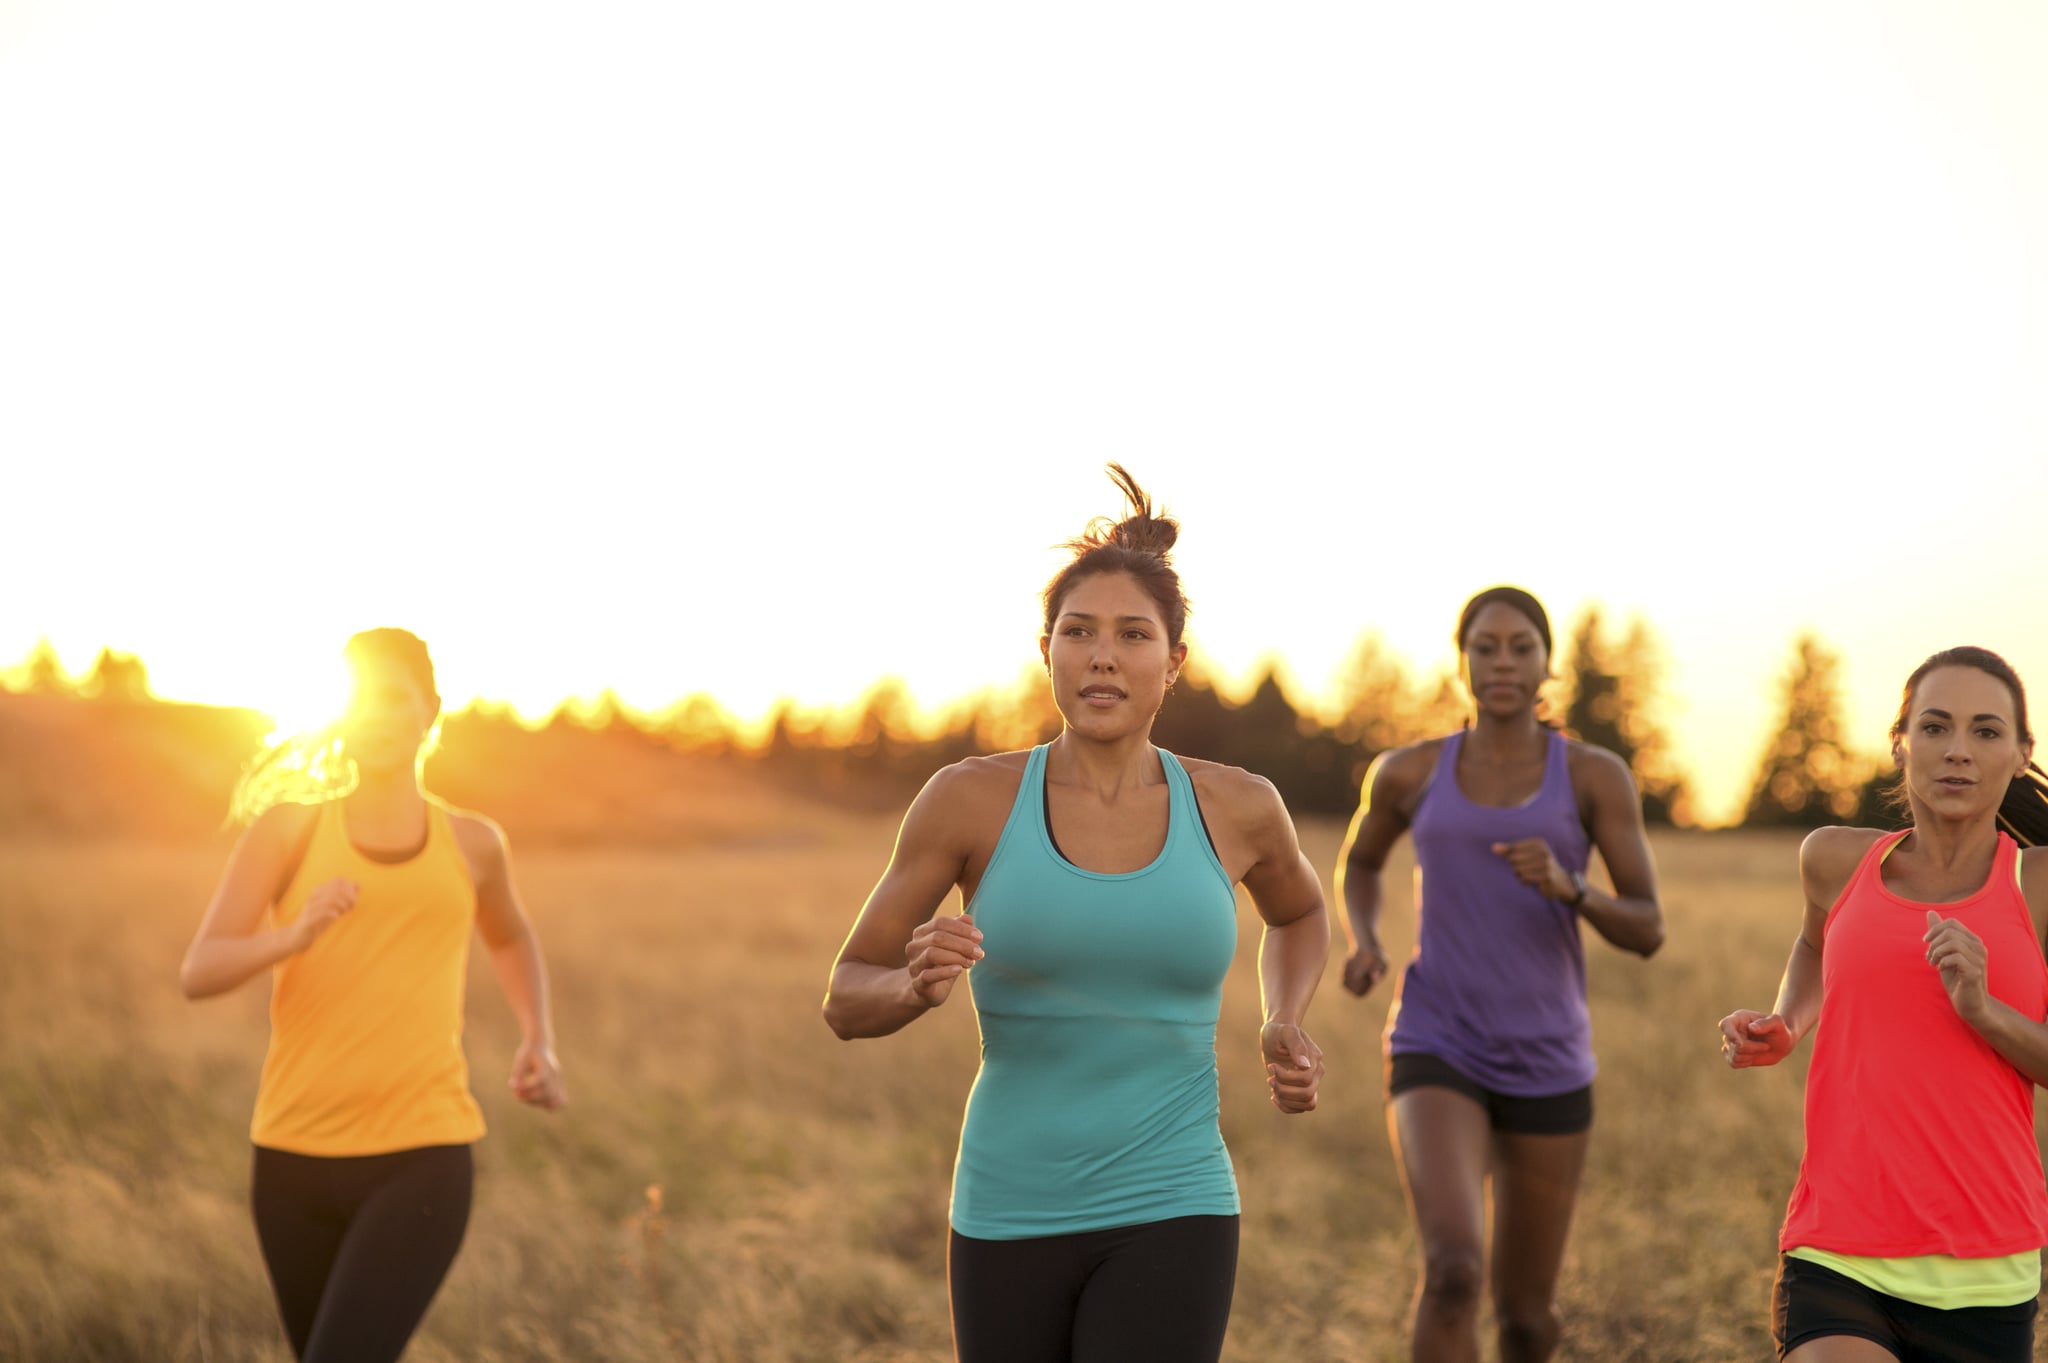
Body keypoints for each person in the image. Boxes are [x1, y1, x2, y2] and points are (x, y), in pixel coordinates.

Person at [822, 465, 1330, 1363]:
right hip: (1008, 1202)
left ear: (1172, 662)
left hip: (1177, 1196)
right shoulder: (967, 801)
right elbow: (846, 994)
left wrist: (1282, 1017)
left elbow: (1299, 915)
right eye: (1079, 631)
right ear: (1047, 649)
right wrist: (913, 984)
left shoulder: (1239, 805)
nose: (1103, 654)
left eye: (1134, 635)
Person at [180, 628, 565, 1363]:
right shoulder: (287, 830)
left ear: (431, 710)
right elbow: (199, 969)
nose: (378, 715)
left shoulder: (474, 842)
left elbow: (512, 937)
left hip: (422, 1152)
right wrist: (288, 938)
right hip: (290, 1157)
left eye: (394, 696)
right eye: (359, 698)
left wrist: (537, 1037)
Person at [1335, 585, 1664, 1363]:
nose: (1504, 661)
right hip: (1435, 1039)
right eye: (1486, 646)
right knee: (1453, 1272)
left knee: (1523, 1316)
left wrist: (1572, 886)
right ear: (1462, 661)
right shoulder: (1408, 770)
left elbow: (1648, 926)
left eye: (1522, 646)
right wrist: (1367, 937)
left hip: (1548, 1056)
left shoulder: (1593, 775)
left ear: (1548, 661)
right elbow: (1361, 859)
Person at [1719, 646, 2048, 1363]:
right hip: (1838, 1245)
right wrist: (1788, 1022)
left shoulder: (2039, 886)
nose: (1957, 750)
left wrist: (1984, 1010)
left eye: (1986, 731)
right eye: (1935, 727)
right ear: (1900, 743)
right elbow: (1812, 946)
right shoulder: (1834, 859)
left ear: (2023, 753)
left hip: (1986, 1263)